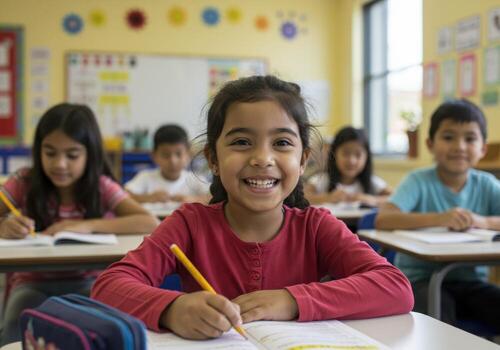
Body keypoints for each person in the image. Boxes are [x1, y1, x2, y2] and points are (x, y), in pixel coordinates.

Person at [91, 75, 413, 340]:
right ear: (213, 160)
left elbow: (395, 287)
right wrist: (172, 308)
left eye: (282, 143)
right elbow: (108, 287)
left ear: (302, 161)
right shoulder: (190, 224)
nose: (262, 158)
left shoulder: (315, 227)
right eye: (242, 142)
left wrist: (292, 300)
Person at [0, 103, 159, 345]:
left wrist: (87, 225)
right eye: (50, 153)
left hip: (88, 283)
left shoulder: (100, 186)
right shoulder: (25, 181)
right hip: (32, 282)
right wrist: (3, 226)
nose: (60, 164)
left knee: (106, 327)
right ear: (38, 150)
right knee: (15, 324)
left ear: (89, 154)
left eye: (72, 155)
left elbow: (149, 221)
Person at [376, 99, 500, 332]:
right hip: (420, 280)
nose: (460, 146)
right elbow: (384, 218)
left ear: (483, 148)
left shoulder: (487, 184)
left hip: (469, 282)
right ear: (430, 144)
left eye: (470, 139)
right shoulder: (418, 181)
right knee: (440, 318)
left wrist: (481, 221)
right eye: (449, 137)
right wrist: (440, 218)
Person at [306, 126, 391, 207]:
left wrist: (372, 200)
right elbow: (303, 198)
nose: (351, 161)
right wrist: (328, 197)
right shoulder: (322, 180)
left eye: (358, 155)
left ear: (366, 157)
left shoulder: (372, 182)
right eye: (346, 153)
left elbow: (396, 199)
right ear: (334, 154)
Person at [125, 124, 210, 204]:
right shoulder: (145, 177)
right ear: (154, 156)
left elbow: (213, 197)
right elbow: (123, 195)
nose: (173, 161)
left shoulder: (195, 179)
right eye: (165, 155)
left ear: (188, 154)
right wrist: (148, 198)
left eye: (178, 154)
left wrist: (193, 199)